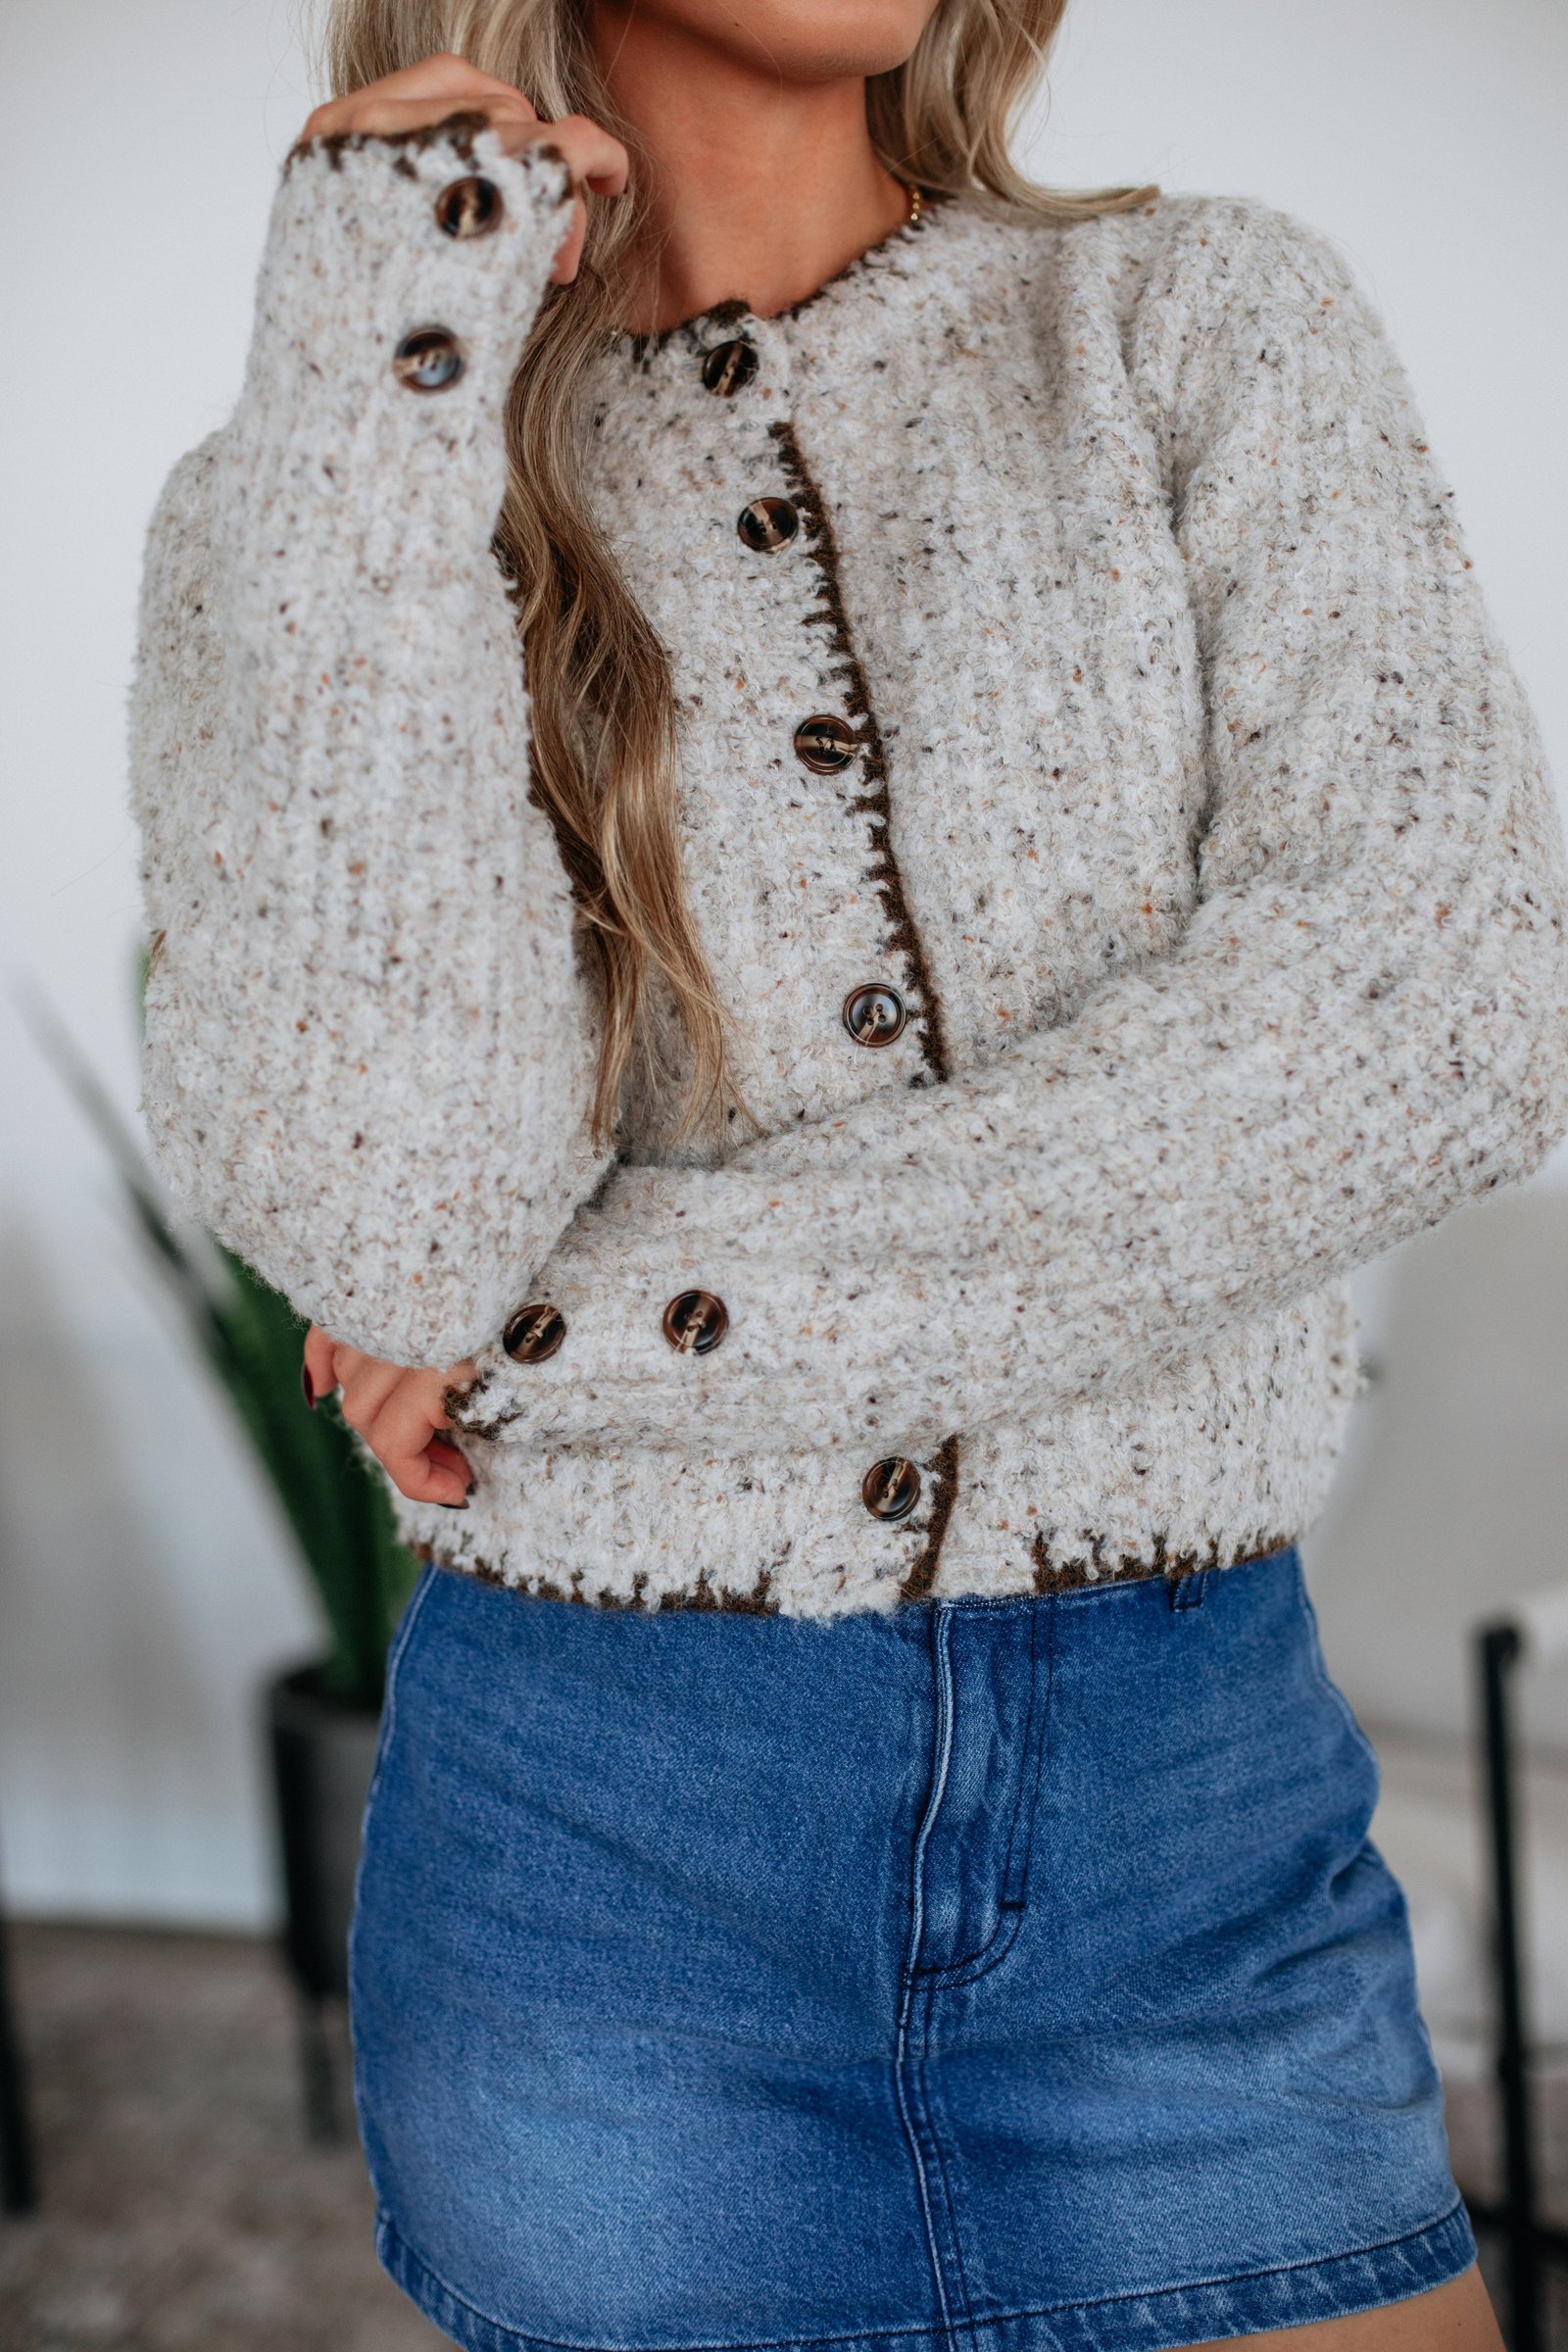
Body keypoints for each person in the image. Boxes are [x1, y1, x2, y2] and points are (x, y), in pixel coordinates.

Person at [129, 1, 1568, 2345]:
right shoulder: (327, 481)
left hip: (1185, 1819)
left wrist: (578, 1334)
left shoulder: (1190, 318)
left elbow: (1436, 1015)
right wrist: (391, 346)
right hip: (604, 1864)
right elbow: (391, 1224)